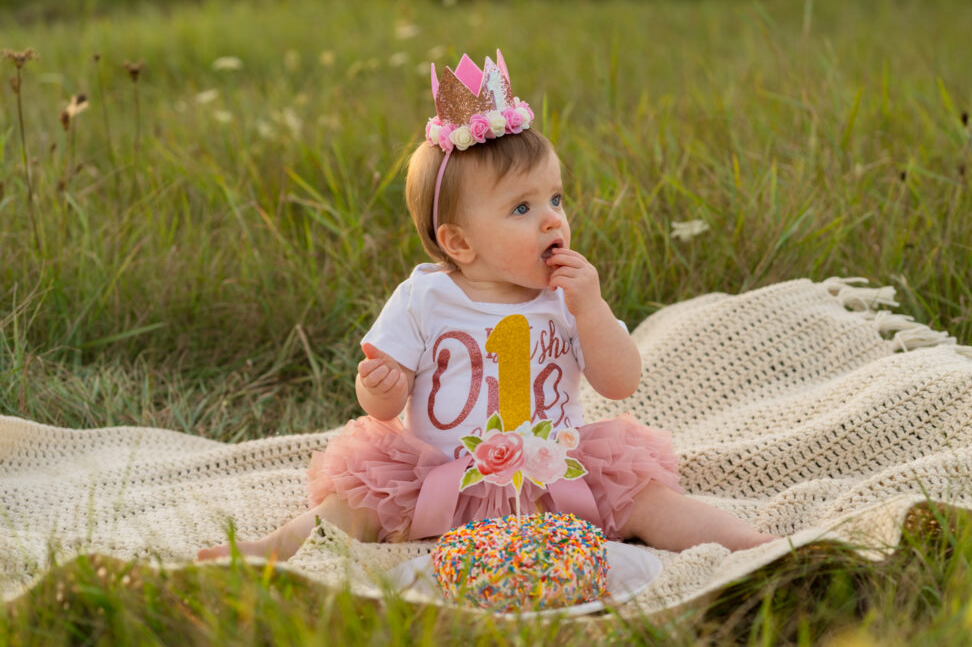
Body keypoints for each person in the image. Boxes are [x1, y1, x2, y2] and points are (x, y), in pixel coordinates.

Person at [198, 50, 775, 562]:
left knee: (648, 500)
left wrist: (593, 310)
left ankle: (756, 547)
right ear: (459, 242)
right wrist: (380, 383)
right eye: (521, 209)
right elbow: (381, 404)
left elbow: (621, 381)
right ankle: (270, 551)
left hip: (560, 473)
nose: (553, 217)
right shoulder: (426, 297)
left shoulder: (567, 295)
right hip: (440, 479)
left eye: (554, 198)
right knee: (358, 503)